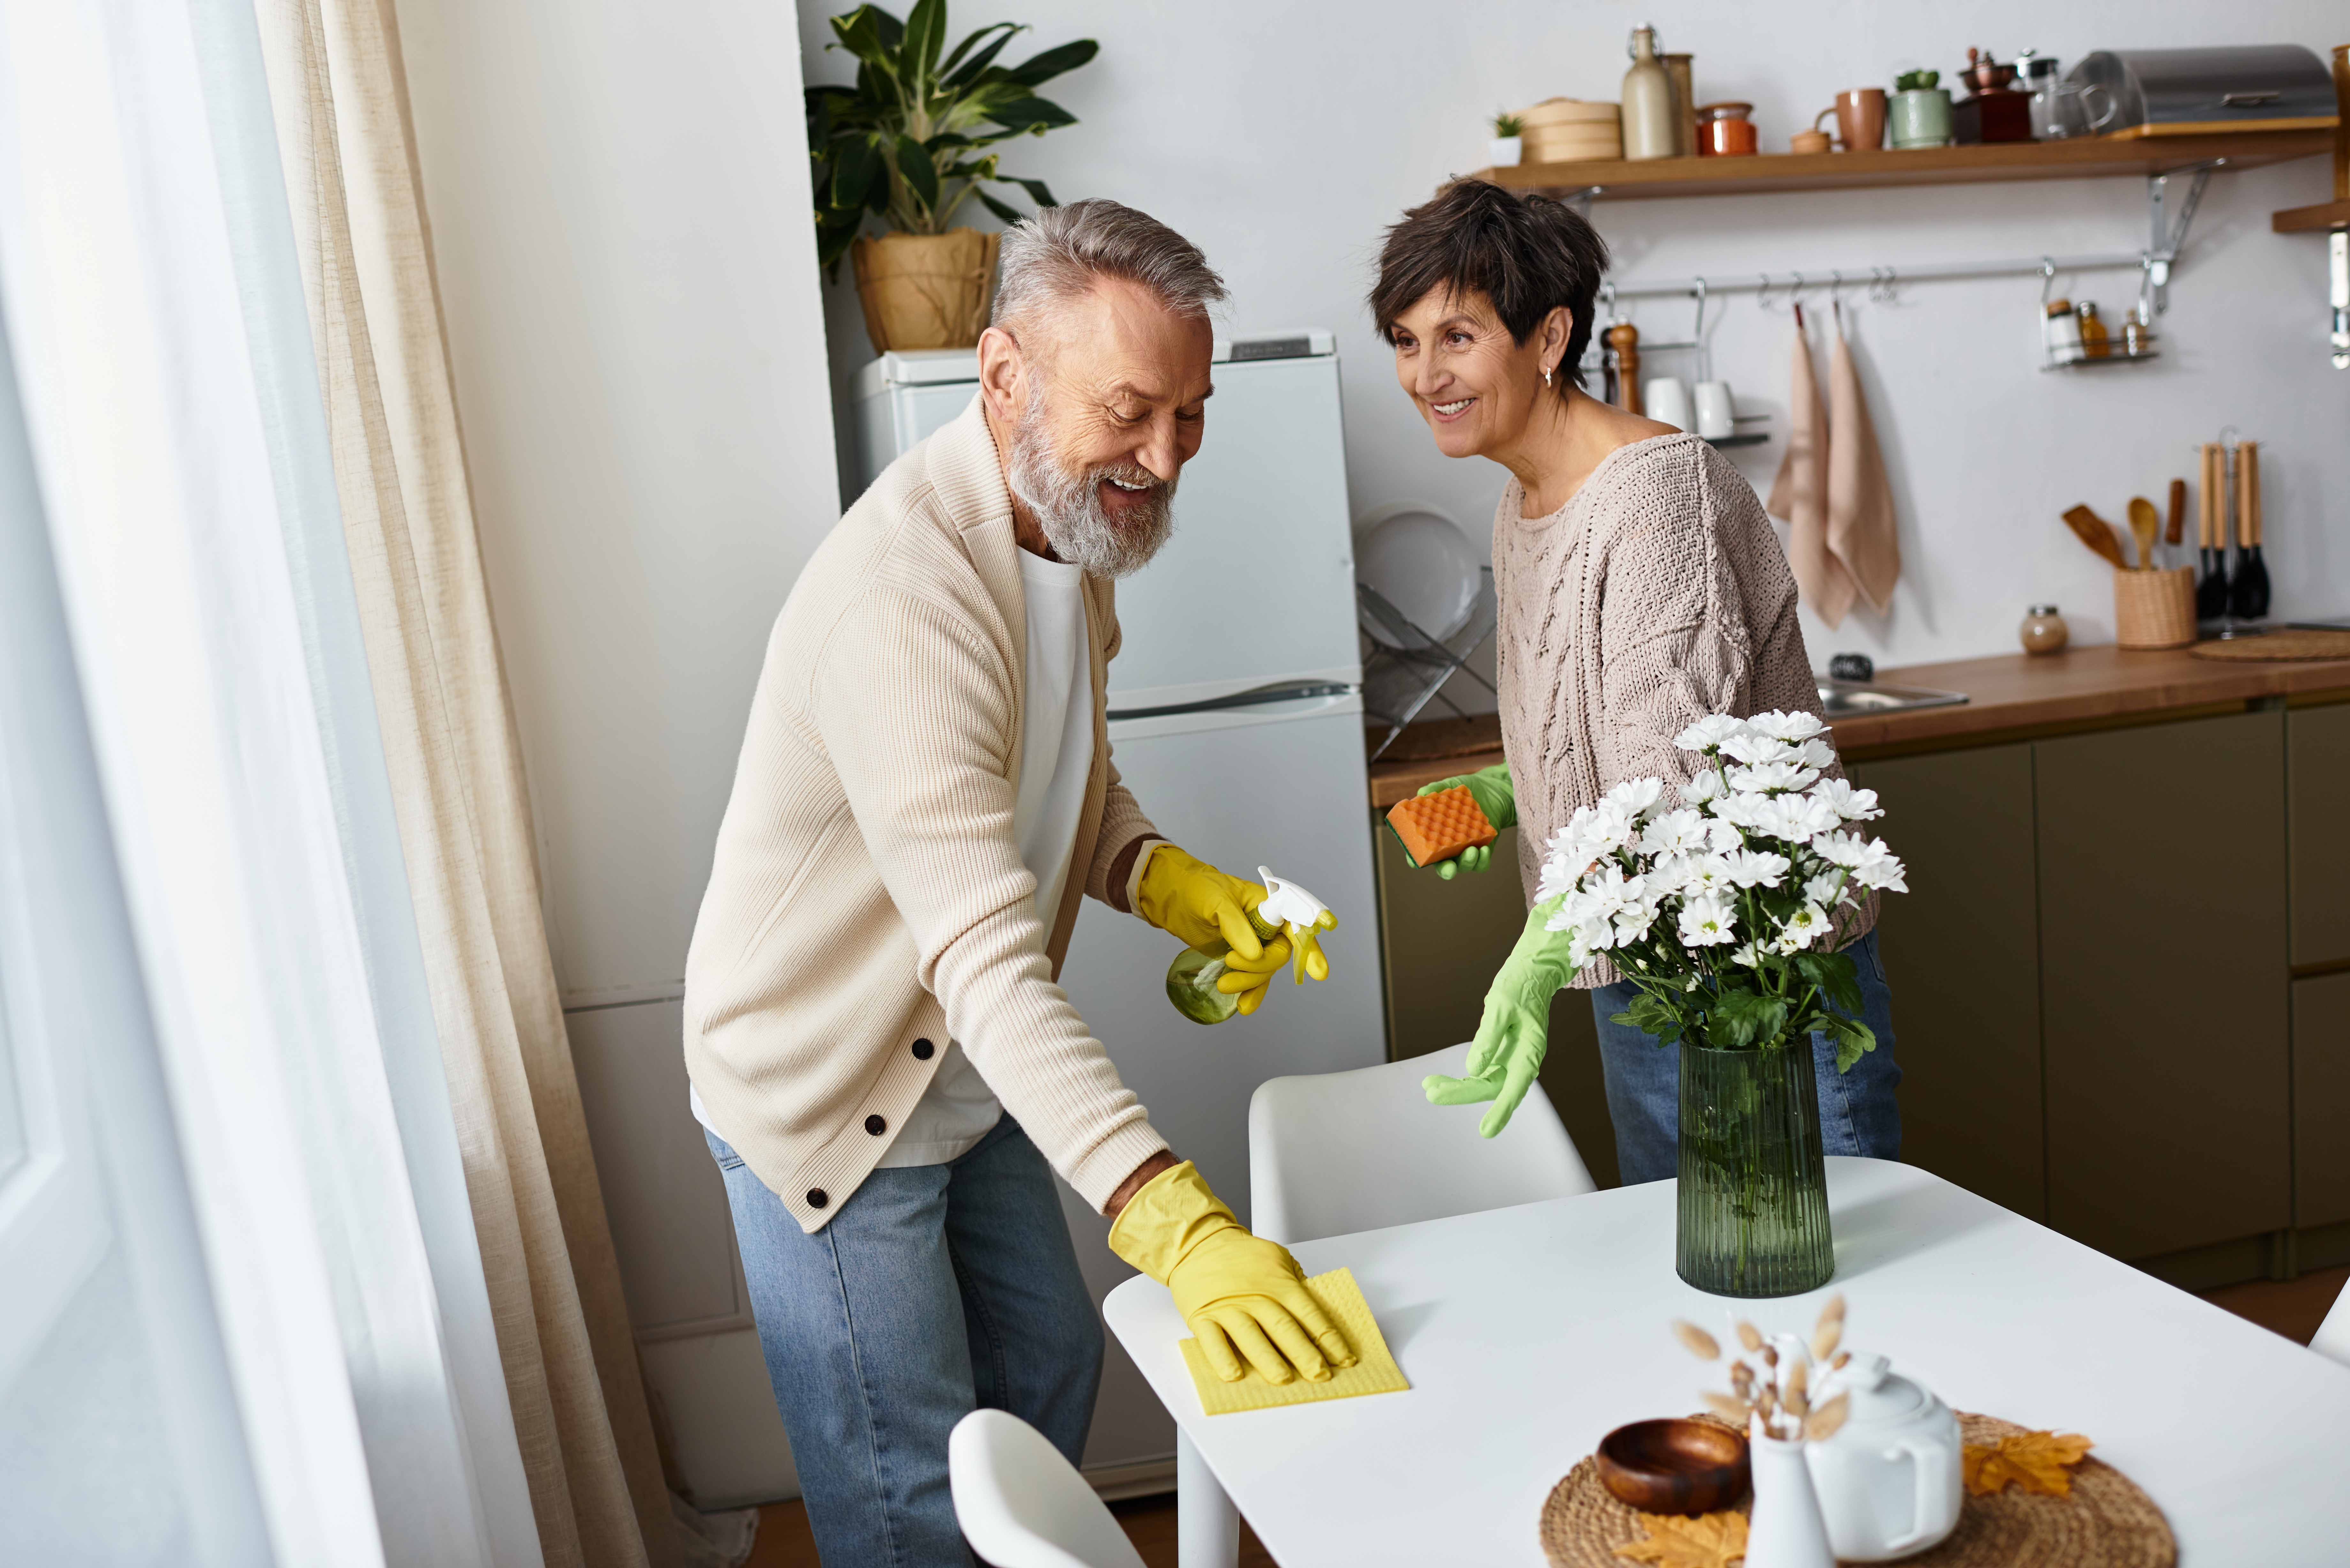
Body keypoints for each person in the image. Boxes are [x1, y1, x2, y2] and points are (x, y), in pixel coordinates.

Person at [681, 199, 1354, 1567]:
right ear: (1004, 377)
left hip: (960, 1071)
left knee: (1047, 1385)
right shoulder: (906, 602)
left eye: (1191, 414)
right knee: (912, 1501)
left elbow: (1066, 777)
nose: (1163, 457)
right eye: (1129, 410)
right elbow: (983, 957)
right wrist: (1177, 1218)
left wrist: (1170, 881)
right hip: (826, 1090)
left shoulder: (1061, 532)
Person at [1367, 179, 1899, 1183]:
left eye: (1458, 336)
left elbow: (1671, 791)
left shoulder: (1658, 498)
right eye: (1404, 340)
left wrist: (1534, 959)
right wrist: (1502, 791)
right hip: (1639, 970)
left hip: (1760, 973)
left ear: (1550, 335)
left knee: (1814, 1285)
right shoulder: (1523, 504)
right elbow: (1600, 733)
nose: (1425, 373)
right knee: (1692, 1275)